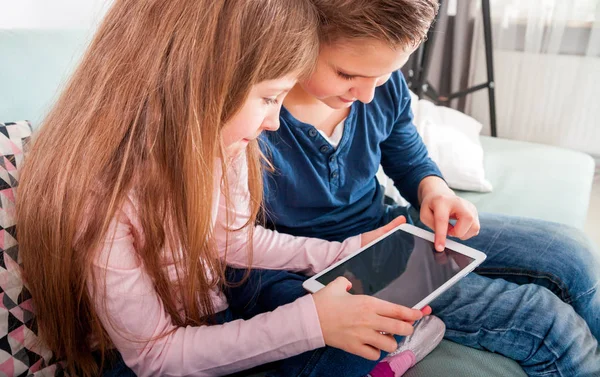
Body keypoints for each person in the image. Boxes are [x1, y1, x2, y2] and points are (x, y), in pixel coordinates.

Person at [17, 0, 444, 376]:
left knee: (354, 337)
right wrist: (309, 321)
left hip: (217, 318)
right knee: (333, 333)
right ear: (200, 84)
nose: (275, 123)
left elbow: (234, 239)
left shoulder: (226, 146)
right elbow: (154, 356)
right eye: (269, 98)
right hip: (142, 359)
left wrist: (340, 253)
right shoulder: (100, 198)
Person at [228, 0, 600, 375]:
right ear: (299, 36)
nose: (369, 94)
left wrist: (434, 190)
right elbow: (234, 244)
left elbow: (404, 146)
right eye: (347, 74)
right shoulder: (250, 119)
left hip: (383, 227)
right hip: (294, 266)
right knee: (548, 325)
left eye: (387, 74)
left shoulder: (379, 89)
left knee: (572, 255)